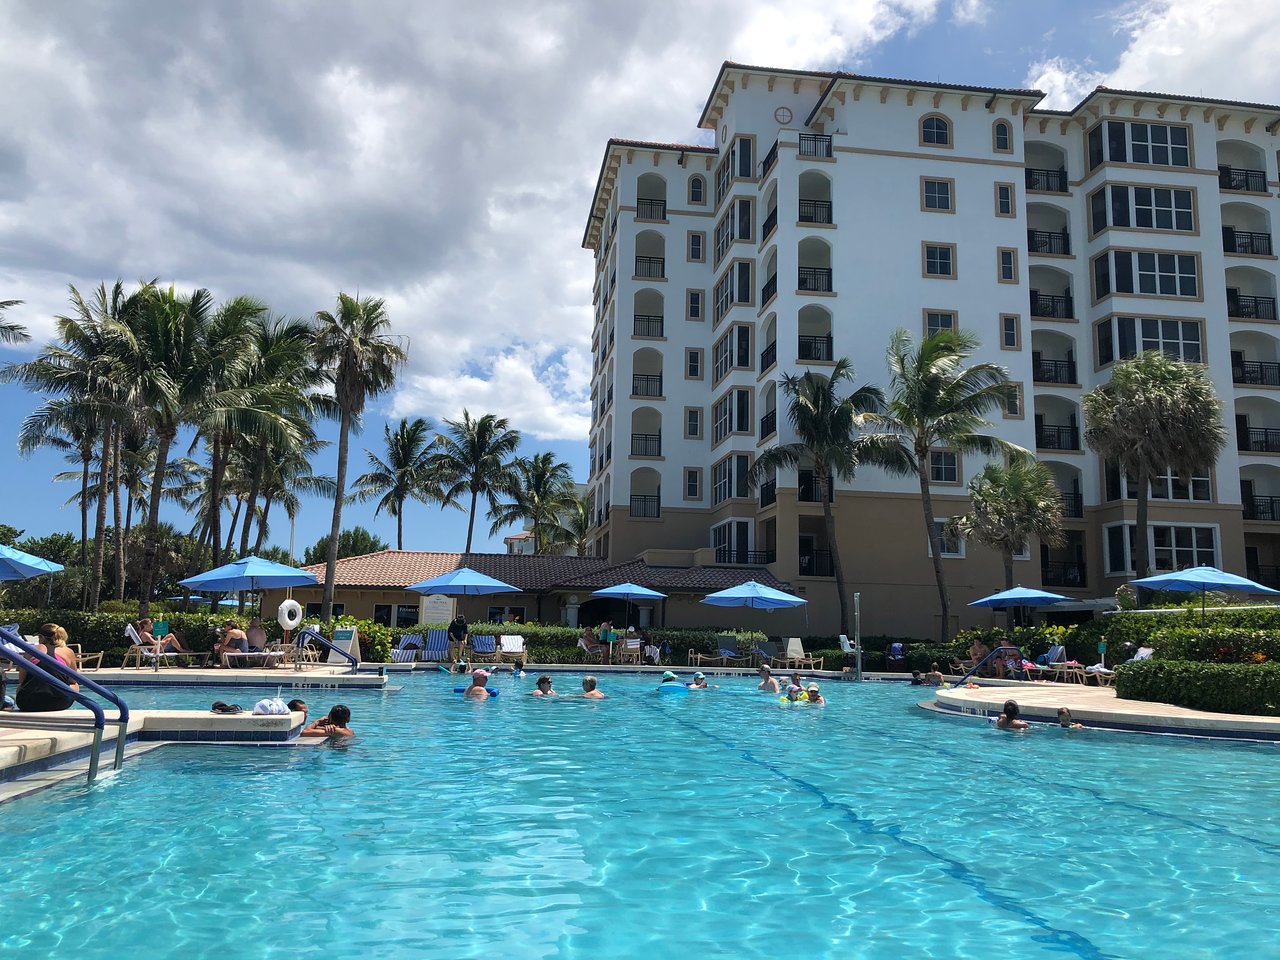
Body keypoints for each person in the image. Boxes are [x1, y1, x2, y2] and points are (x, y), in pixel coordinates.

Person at [15, 638, 79, 712]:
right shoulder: (67, 651)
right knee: (74, 684)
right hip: (60, 703)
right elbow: (73, 679)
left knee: (20, 686)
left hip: (27, 704)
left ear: (41, 637)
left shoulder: (30, 650)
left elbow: (21, 681)